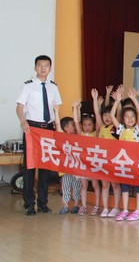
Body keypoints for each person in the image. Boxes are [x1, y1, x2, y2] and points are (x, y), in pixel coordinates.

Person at [16, 55, 62, 215]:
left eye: (46, 65)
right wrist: (22, 120)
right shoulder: (28, 86)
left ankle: (43, 203)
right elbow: (19, 106)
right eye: (40, 65)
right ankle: (29, 204)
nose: (43, 68)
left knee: (45, 167)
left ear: (50, 68)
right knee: (30, 167)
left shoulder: (53, 87)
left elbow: (56, 109)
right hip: (32, 129)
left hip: (48, 129)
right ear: (35, 68)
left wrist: (57, 127)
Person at [109, 86, 139, 221]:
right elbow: (112, 116)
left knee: (138, 186)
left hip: (135, 162)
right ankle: (125, 210)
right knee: (125, 186)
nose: (130, 119)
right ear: (123, 119)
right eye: (127, 116)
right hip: (123, 162)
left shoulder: (137, 129)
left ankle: (138, 210)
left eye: (132, 116)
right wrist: (117, 101)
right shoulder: (121, 128)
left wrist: (134, 100)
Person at [91, 87, 122, 218]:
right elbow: (97, 113)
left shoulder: (116, 127)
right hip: (103, 160)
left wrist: (118, 101)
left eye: (109, 115)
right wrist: (94, 99)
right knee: (104, 184)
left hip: (114, 160)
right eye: (105, 115)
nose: (107, 117)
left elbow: (118, 113)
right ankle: (105, 208)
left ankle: (116, 208)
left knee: (115, 184)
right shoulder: (102, 126)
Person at [73, 100, 101, 216]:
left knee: (95, 185)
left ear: (93, 125)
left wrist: (96, 104)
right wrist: (76, 108)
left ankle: (97, 206)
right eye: (85, 125)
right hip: (83, 163)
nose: (87, 127)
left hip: (93, 163)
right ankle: (84, 206)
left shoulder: (96, 134)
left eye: (89, 125)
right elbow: (76, 121)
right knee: (84, 185)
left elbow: (98, 120)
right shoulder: (82, 134)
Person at [54, 110, 82, 215]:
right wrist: (56, 111)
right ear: (66, 128)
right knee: (65, 186)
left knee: (77, 186)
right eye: (72, 125)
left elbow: (78, 121)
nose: (75, 126)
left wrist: (76, 109)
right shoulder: (62, 136)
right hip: (65, 168)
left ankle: (76, 205)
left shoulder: (78, 136)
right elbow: (58, 125)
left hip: (76, 167)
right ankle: (65, 205)